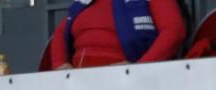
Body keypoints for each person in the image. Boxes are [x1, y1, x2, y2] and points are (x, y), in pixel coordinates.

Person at [50, 0, 186, 70]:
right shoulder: (84, 2)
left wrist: (139, 68)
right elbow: (60, 33)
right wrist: (60, 64)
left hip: (129, 84)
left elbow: (174, 31)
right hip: (79, 85)